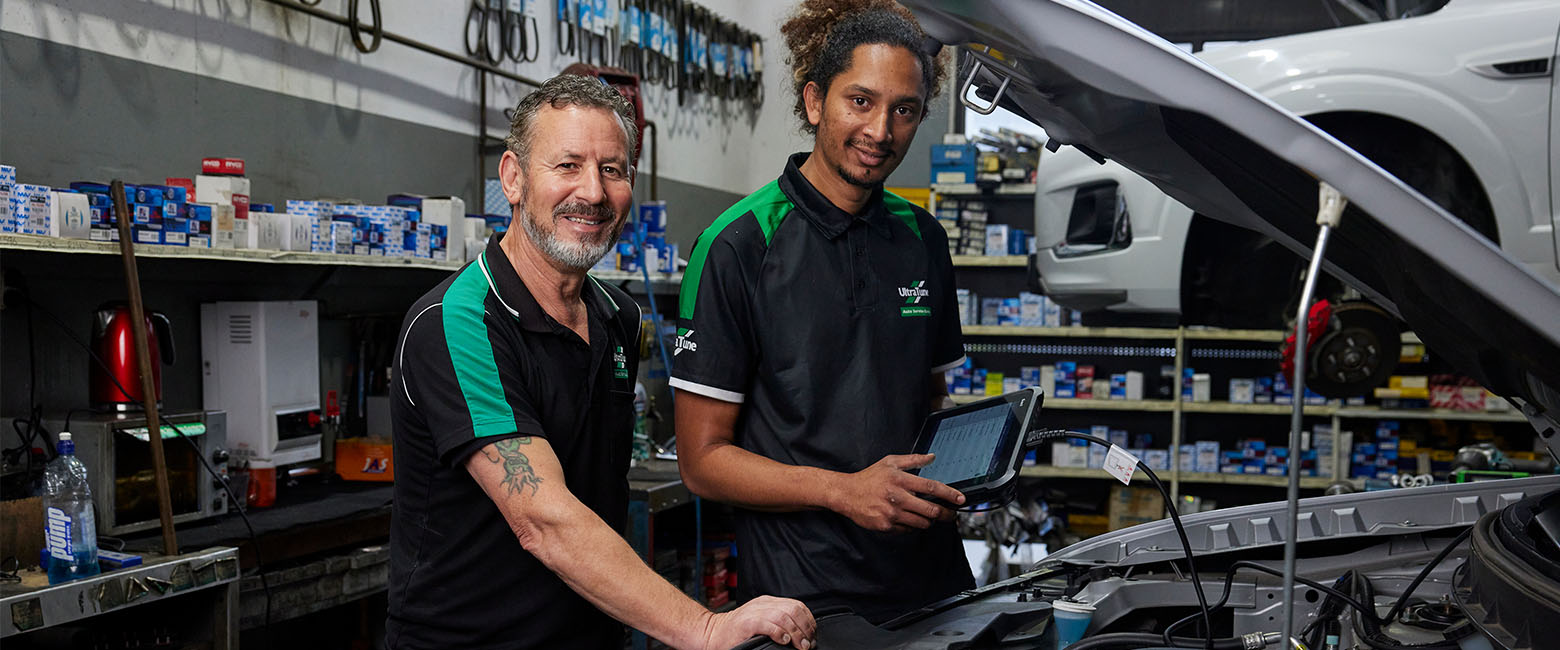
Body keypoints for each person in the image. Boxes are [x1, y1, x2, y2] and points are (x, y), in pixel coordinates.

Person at [387, 74, 815, 650]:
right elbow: (542, 521)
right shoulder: (457, 322)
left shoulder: (618, 316)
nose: (592, 192)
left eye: (612, 169)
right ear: (512, 178)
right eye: (567, 166)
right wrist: (705, 627)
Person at [670, 0, 973, 624]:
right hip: (807, 595)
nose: (880, 131)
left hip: (931, 577)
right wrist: (844, 491)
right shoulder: (736, 246)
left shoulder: (924, 238)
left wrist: (970, 473)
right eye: (859, 101)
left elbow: (930, 402)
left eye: (904, 110)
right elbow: (701, 463)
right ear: (814, 102)